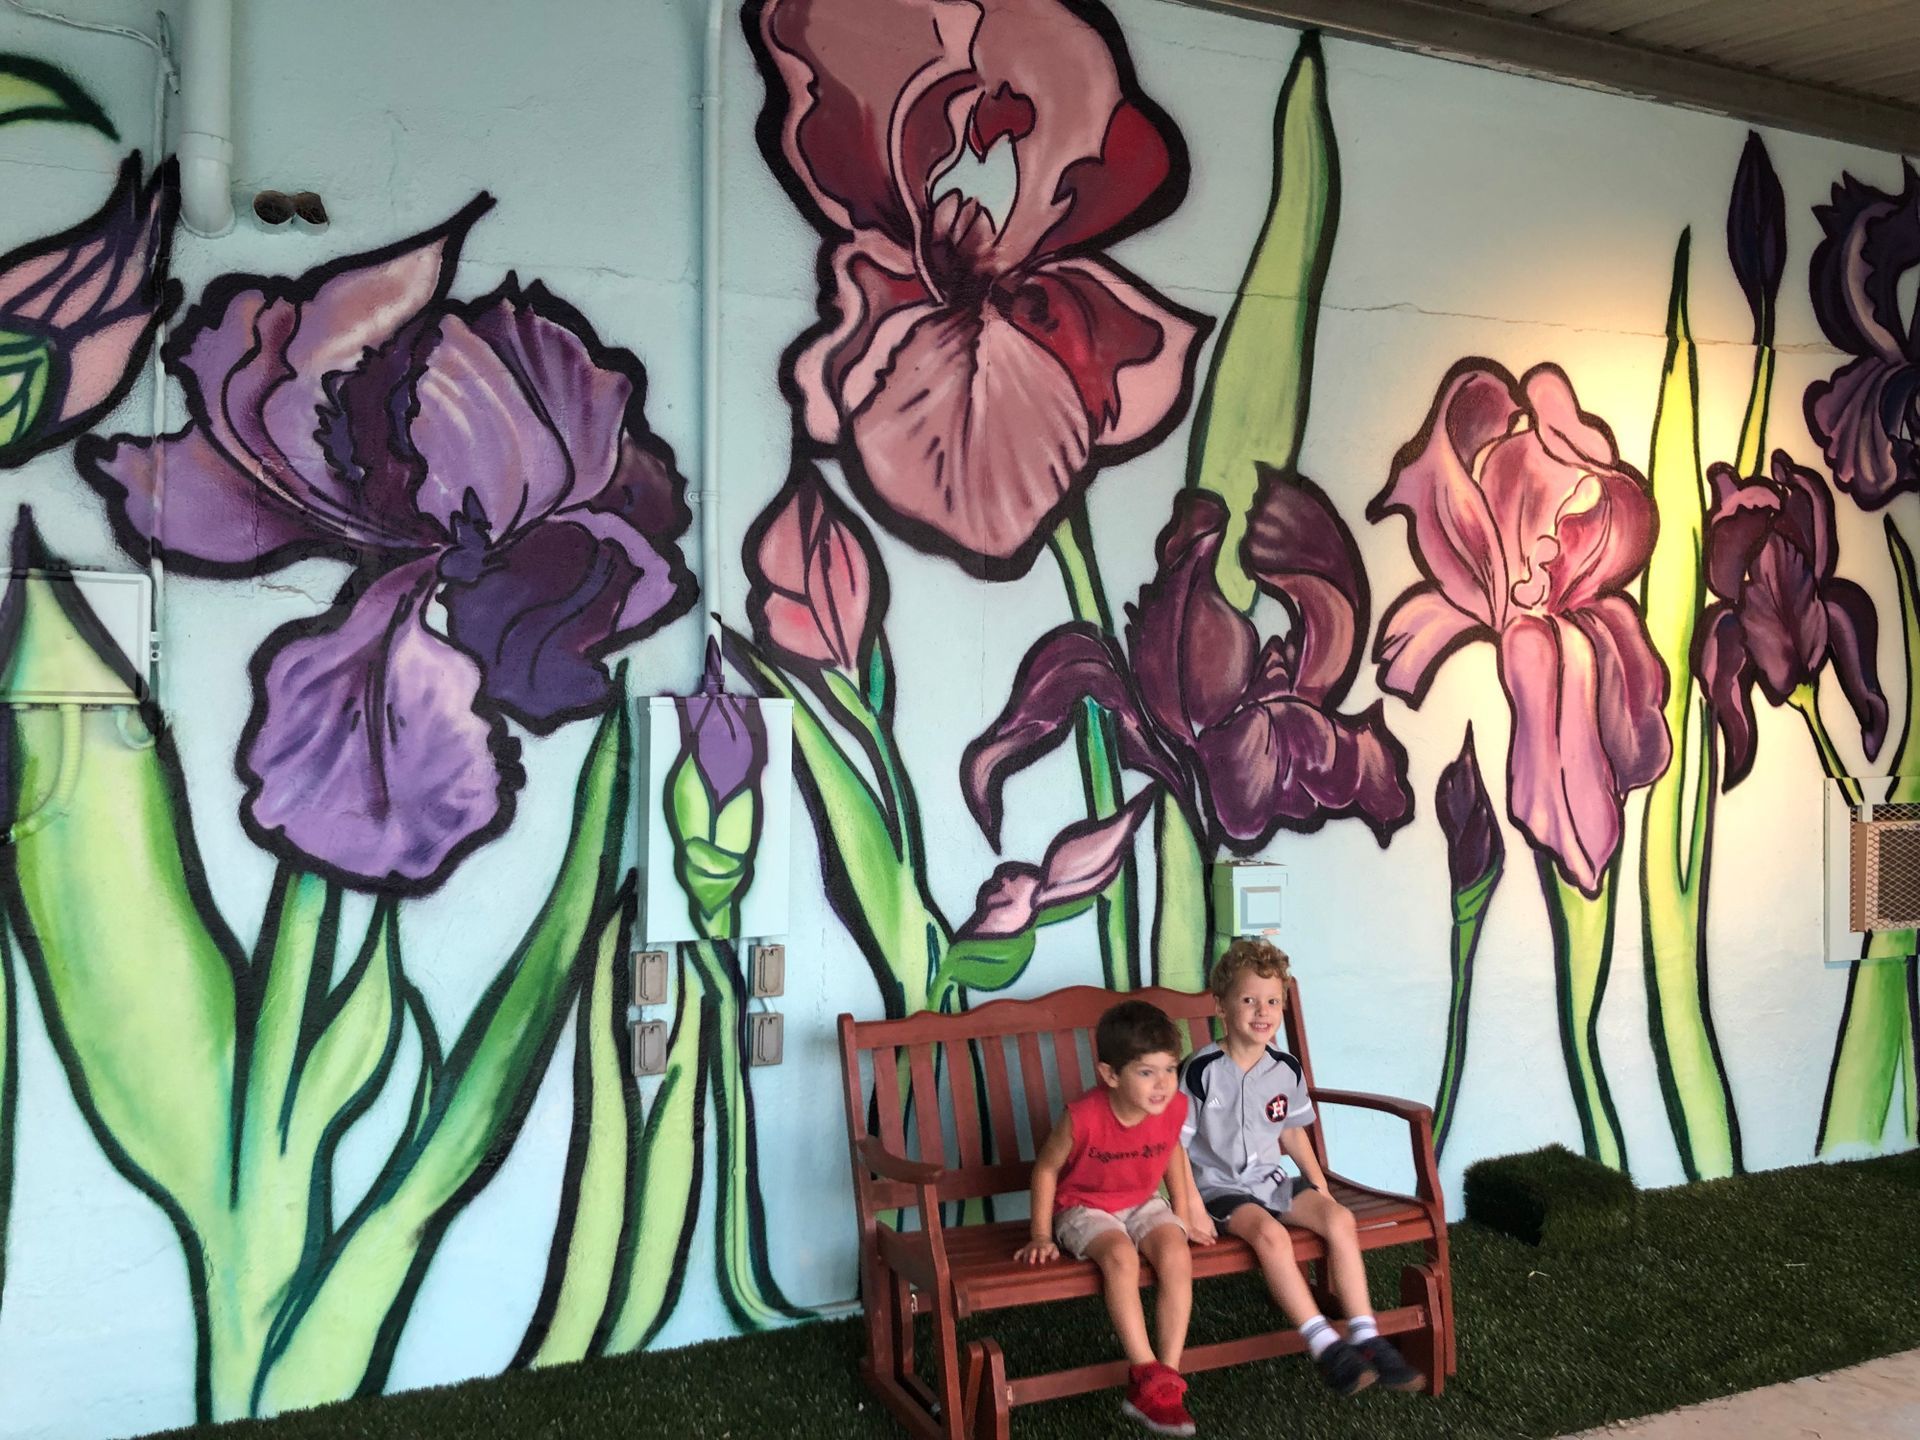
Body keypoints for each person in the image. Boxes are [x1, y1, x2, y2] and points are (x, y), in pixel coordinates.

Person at [1178, 939, 1426, 1397]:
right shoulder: (1201, 1069)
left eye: (1272, 1001)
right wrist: (1190, 1204)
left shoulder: (1285, 1069)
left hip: (1271, 1182)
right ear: (1221, 1006)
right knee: (1270, 1236)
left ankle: (1367, 1335)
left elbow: (1292, 1133)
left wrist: (1319, 1185)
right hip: (1219, 1190)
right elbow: (1175, 1144)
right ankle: (1324, 1344)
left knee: (1339, 1219)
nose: (1262, 1011)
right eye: (1248, 999)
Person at [1016, 999, 1206, 1437]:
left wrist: (1183, 1213)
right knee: (1120, 1256)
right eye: (1146, 1072)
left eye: (1169, 1069)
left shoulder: (1173, 1107)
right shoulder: (1083, 1116)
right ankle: (1144, 1370)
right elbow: (1045, 1169)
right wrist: (1041, 1234)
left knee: (1176, 1251)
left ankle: (1168, 1377)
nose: (1161, 1084)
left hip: (1141, 1201)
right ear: (1110, 1075)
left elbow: (1172, 1153)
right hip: (1083, 1206)